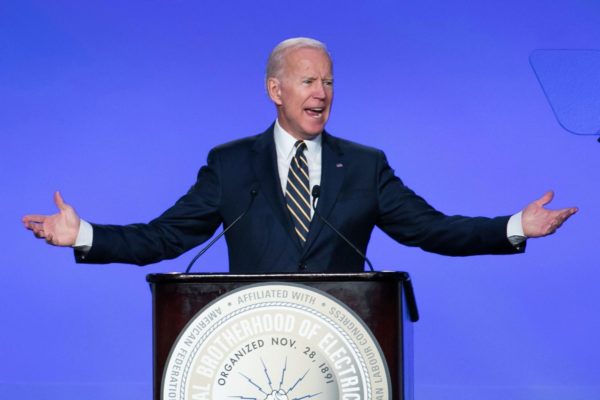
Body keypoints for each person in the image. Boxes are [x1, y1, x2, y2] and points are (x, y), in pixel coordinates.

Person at [22, 38, 577, 273]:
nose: (322, 92)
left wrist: (514, 225)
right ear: (275, 91)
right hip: (251, 344)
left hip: (344, 340)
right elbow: (166, 236)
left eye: (329, 82)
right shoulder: (231, 164)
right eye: (309, 80)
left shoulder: (364, 165)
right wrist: (86, 234)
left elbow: (430, 230)